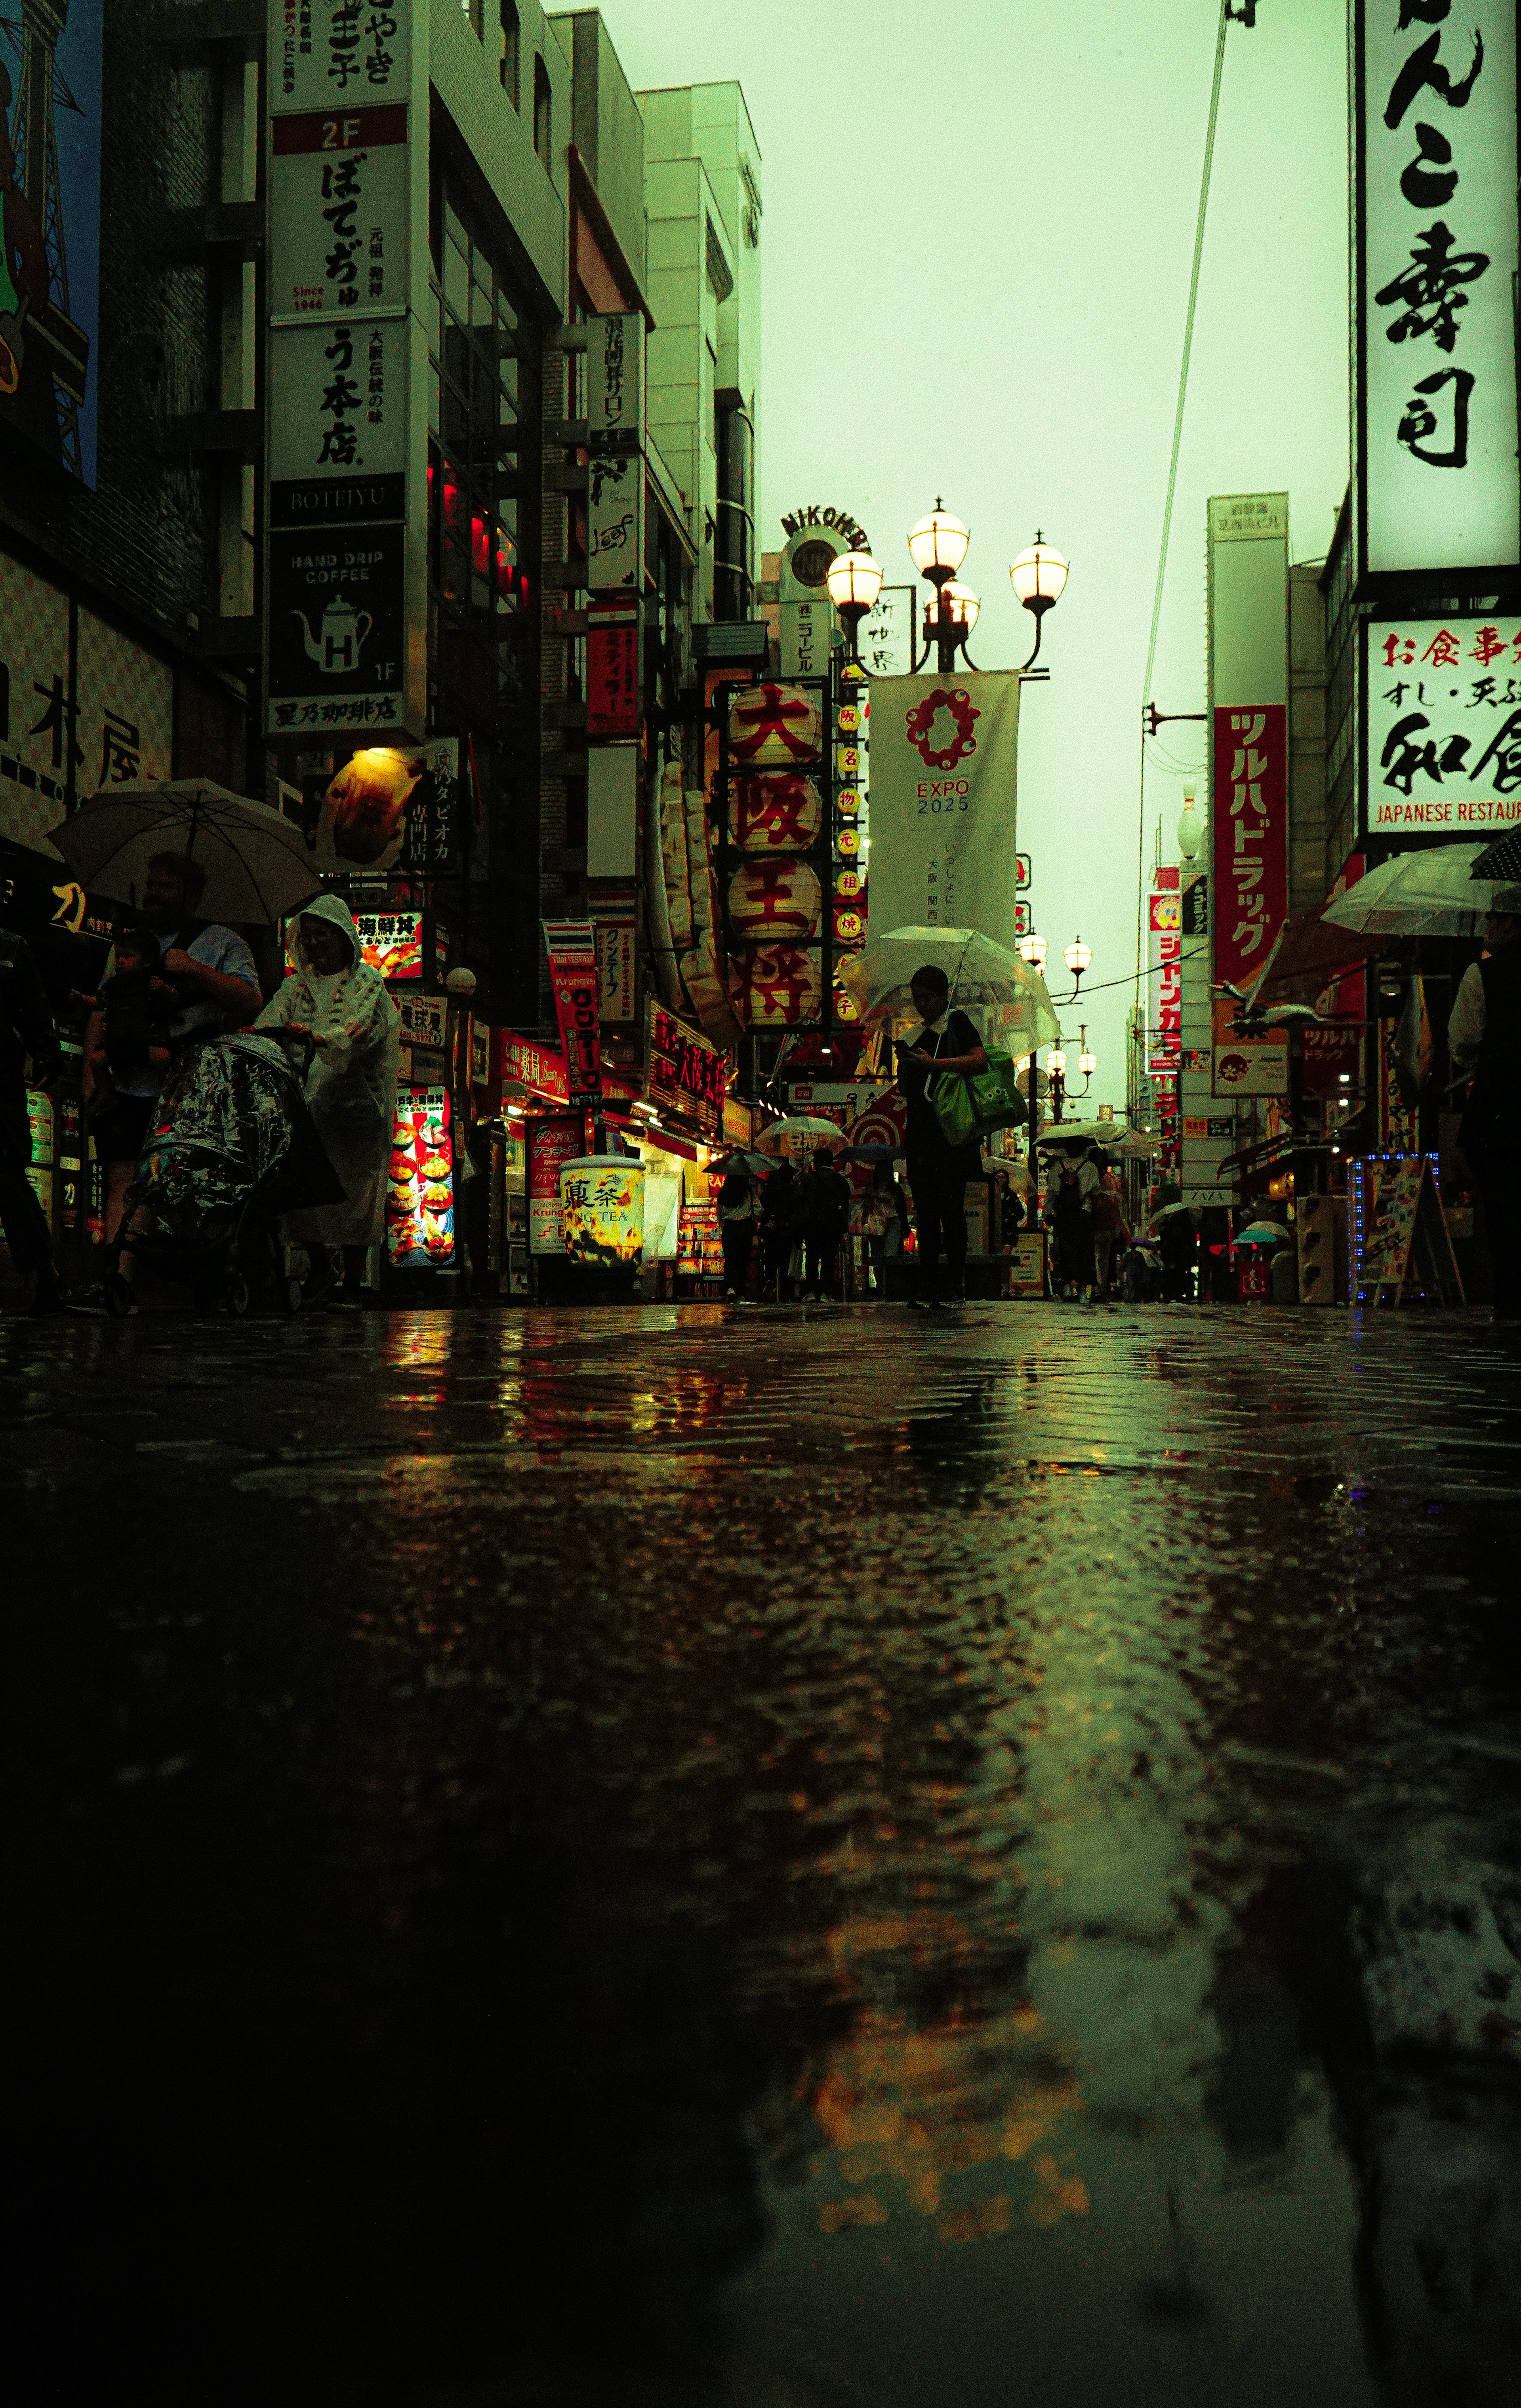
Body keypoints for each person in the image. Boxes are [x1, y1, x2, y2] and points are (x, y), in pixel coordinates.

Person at [84, 853, 261, 1249]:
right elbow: (102, 1007)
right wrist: (91, 1076)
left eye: (166, 886)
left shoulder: (223, 943)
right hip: (128, 1082)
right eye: (151, 885)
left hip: (190, 1086)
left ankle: (169, 1270)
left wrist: (197, 970)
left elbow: (250, 1001)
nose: (154, 894)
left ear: (192, 895)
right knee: (122, 1176)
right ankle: (118, 1278)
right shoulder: (130, 944)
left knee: (171, 1178)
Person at [254, 895, 400, 1306]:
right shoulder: (293, 987)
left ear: (344, 939)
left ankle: (352, 1282)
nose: (316, 944)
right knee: (302, 1188)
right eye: (310, 936)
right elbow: (268, 1022)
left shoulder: (368, 981)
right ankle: (321, 1264)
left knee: (356, 1190)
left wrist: (318, 1038)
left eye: (324, 935)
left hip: (356, 1109)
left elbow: (361, 1030)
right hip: (305, 1107)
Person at [897, 963, 987, 1308]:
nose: (923, 1004)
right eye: (918, 998)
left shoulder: (958, 1024)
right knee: (926, 1212)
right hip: (920, 1134)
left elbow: (979, 1062)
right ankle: (928, 1285)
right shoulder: (913, 1035)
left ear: (945, 995)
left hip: (951, 1133)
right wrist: (907, 1063)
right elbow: (907, 1088)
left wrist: (935, 1065)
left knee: (951, 1210)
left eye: (929, 997)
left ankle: (955, 1285)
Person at [1450, 908, 1521, 1323]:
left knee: (1505, 1212)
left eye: (1493, 918)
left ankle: (1512, 1302)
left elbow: (1462, 1043)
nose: (1487, 927)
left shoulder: (1484, 976)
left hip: (1501, 1115)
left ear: (1511, 923)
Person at [0, 920, 67, 1314]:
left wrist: (46, 1054)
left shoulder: (13, 947)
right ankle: (47, 1273)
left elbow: (35, 1011)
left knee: (7, 1172)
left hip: (1, 1076)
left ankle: (46, 1272)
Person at [796, 1143, 853, 1302]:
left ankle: (812, 1291)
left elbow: (800, 1201)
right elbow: (846, 1204)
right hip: (833, 1226)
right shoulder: (841, 1181)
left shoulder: (808, 1179)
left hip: (813, 1224)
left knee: (813, 1257)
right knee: (829, 1259)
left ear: (816, 1163)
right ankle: (826, 1291)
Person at [1044, 1150, 1099, 1301]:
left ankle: (1067, 1287)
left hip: (1064, 1215)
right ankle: (1082, 1289)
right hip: (1084, 1214)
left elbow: (1051, 1191)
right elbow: (1095, 1192)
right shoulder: (1090, 1166)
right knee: (1085, 1252)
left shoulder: (1057, 1166)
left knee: (1065, 1251)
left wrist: (1047, 1212)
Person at [860, 1159, 907, 1294]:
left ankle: (888, 1286)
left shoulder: (895, 1188)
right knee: (879, 1257)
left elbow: (902, 1208)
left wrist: (904, 1226)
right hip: (877, 1224)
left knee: (888, 1256)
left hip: (891, 1222)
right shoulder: (872, 1187)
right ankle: (883, 1286)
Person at [1090, 1163, 1130, 1299]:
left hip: (1095, 1228)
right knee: (1105, 1259)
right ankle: (1104, 1286)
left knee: (1093, 1258)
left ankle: (1096, 1285)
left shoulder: (1094, 1188)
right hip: (1109, 1229)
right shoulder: (1114, 1189)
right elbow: (1120, 1213)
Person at [760, 1157, 797, 1301]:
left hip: (771, 1227)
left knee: (771, 1256)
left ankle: (770, 1280)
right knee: (785, 1259)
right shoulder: (792, 1191)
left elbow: (763, 1206)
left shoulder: (770, 1189)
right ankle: (783, 1288)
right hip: (786, 1228)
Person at [717, 1169, 756, 1301]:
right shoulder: (748, 1192)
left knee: (730, 1259)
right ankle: (741, 1290)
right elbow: (758, 1209)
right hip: (745, 1227)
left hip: (730, 1228)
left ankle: (730, 1288)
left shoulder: (724, 1193)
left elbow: (720, 1213)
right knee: (742, 1260)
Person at [992, 1166, 1024, 1250]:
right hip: (994, 1232)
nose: (1000, 1180)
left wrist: (1010, 1217)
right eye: (997, 1177)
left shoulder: (1012, 1196)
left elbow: (1021, 1213)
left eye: (1002, 1177)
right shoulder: (990, 1195)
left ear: (1007, 1180)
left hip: (1008, 1232)